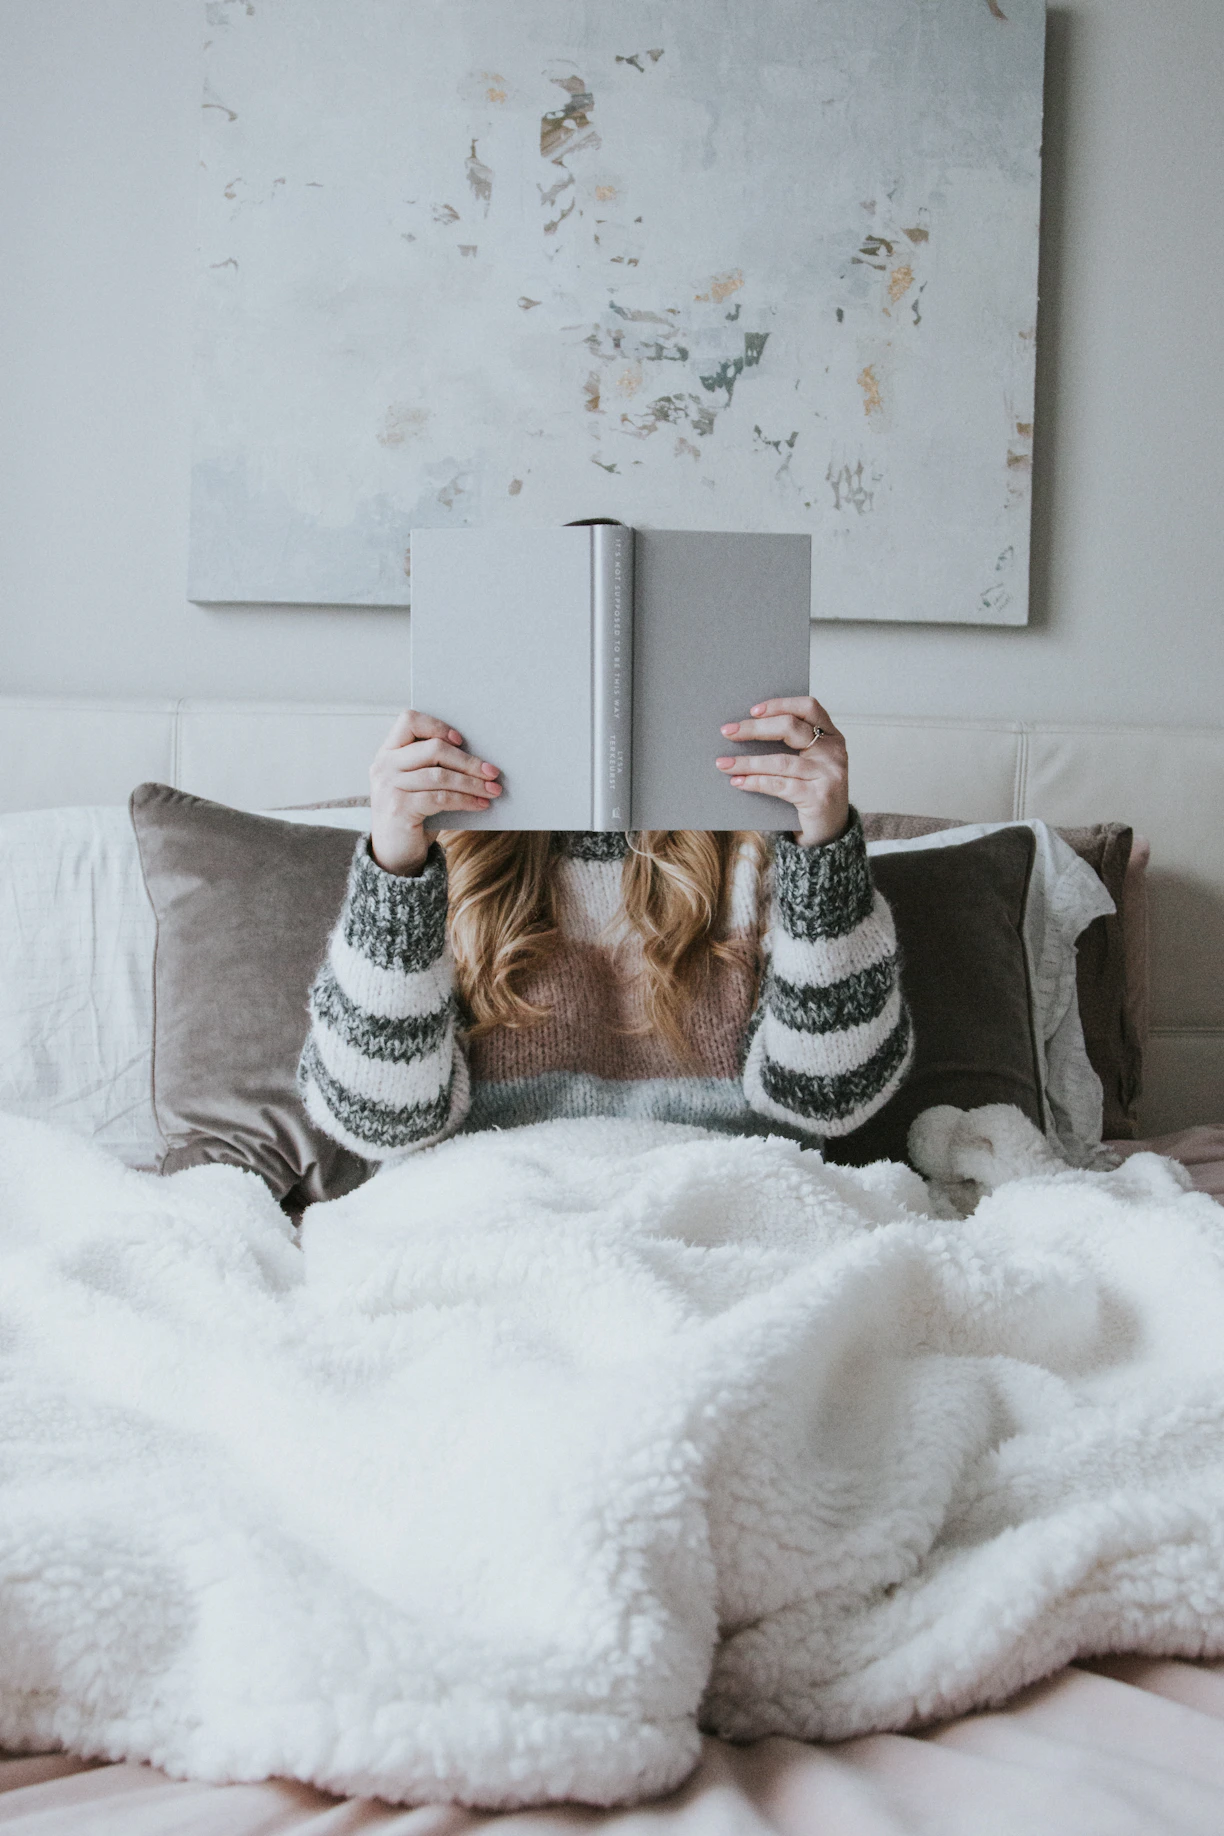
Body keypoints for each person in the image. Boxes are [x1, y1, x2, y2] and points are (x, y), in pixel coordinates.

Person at [298, 694, 913, 1162]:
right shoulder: (446, 861)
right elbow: (375, 1117)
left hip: (720, 1196)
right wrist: (396, 870)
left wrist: (826, 852)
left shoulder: (765, 853)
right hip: (495, 1206)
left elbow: (834, 1095)